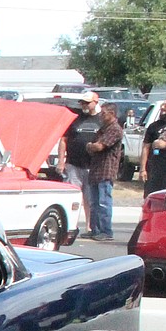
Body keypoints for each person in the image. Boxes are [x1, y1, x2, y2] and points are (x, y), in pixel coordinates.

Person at [57, 91, 102, 232]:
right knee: (72, 196)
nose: (84, 105)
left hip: (92, 165)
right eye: (82, 102)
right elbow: (63, 140)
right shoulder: (75, 120)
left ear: (95, 102)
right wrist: (61, 161)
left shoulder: (101, 120)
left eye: (87, 103)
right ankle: (70, 225)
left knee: (89, 198)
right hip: (73, 164)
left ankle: (89, 226)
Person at [84, 101, 124, 242]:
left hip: (106, 171)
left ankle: (106, 231)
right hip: (96, 170)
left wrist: (92, 146)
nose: (101, 115)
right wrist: (91, 146)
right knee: (94, 202)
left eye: (104, 112)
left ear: (112, 113)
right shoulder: (103, 129)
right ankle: (95, 230)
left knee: (103, 202)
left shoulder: (115, 129)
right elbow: (91, 145)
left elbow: (99, 146)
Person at [139, 93, 166, 195]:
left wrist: (165, 145)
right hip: (156, 170)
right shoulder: (158, 125)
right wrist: (143, 168)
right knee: (151, 199)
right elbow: (146, 146)